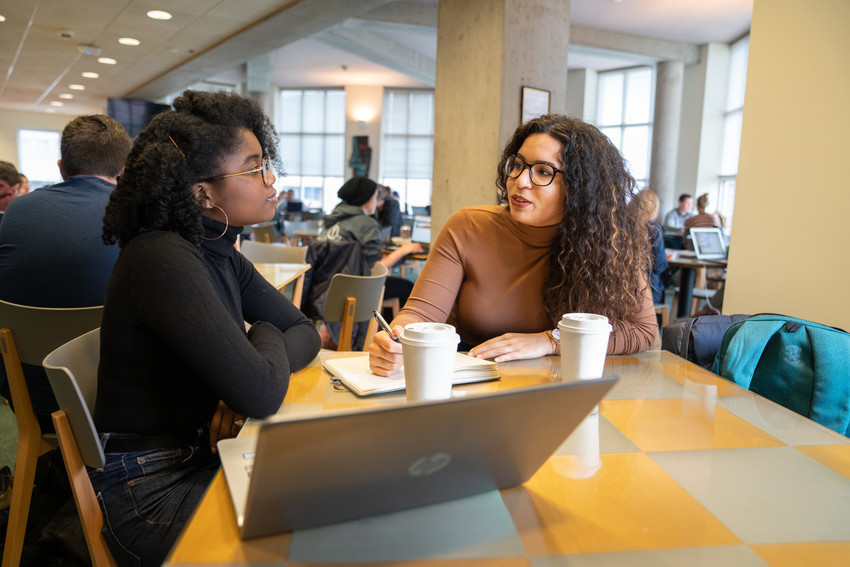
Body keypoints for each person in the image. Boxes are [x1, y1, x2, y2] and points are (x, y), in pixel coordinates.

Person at [93, 90, 321, 566]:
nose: (272, 180)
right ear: (203, 193)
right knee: (319, 535)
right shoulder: (162, 256)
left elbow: (304, 328)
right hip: (150, 488)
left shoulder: (217, 250)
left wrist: (256, 355)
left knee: (338, 493)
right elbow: (260, 392)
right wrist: (259, 351)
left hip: (203, 456)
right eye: (255, 167)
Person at [369, 114, 657, 375]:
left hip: (563, 388)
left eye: (543, 172)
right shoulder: (468, 227)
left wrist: (550, 340)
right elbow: (421, 313)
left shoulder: (609, 242)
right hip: (473, 383)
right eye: (517, 165)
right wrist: (397, 337)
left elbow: (643, 331)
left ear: (581, 189)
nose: (520, 181)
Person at [0, 116, 130, 429]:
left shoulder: (15, 211)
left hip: (31, 398)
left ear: (61, 168)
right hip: (116, 400)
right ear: (124, 168)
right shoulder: (136, 214)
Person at [313, 176, 422, 347]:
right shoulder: (367, 224)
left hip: (322, 294)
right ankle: (394, 342)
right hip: (354, 292)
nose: (377, 201)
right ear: (366, 199)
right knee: (406, 287)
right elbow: (375, 269)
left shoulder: (331, 221)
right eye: (375, 196)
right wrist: (404, 250)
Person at [634, 189, 668, 304]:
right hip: (648, 290)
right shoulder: (653, 229)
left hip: (624, 289)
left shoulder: (622, 226)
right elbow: (660, 265)